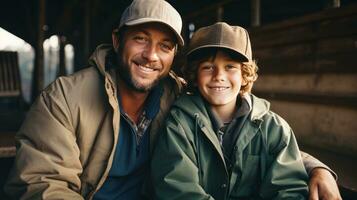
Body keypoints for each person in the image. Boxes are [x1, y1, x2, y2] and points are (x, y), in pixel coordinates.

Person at [3, 0, 340, 199]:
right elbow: (41, 184)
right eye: (140, 39)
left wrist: (317, 168)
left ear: (174, 55)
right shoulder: (63, 98)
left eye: (164, 46)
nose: (151, 55)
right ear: (117, 41)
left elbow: (254, 130)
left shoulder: (176, 94)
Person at [151, 22, 341, 199]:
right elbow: (178, 189)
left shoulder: (274, 128)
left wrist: (318, 169)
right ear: (194, 75)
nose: (219, 76)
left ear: (245, 76)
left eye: (230, 67)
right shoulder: (179, 124)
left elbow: (288, 189)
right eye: (208, 67)